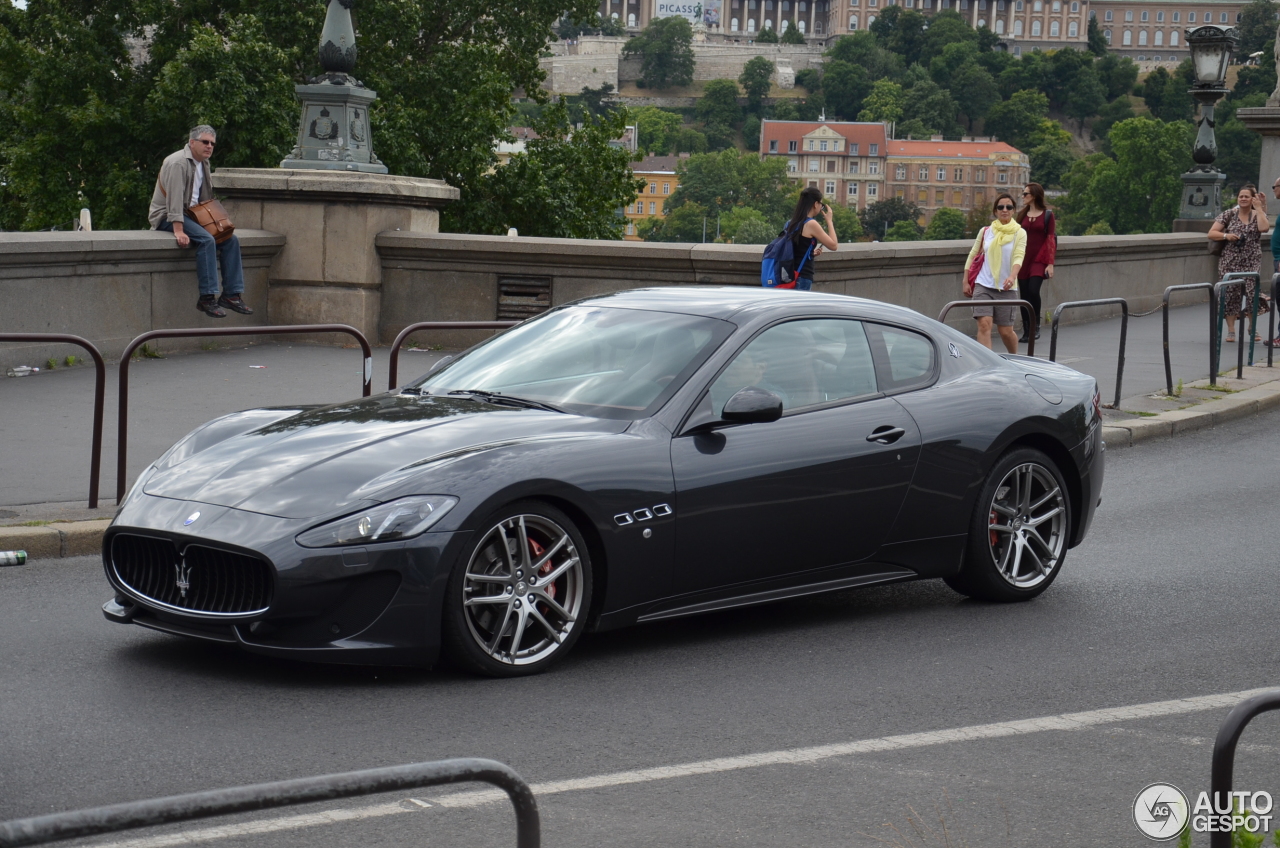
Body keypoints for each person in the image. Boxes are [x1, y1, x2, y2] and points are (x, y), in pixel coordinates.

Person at [148, 125, 252, 319]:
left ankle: (231, 295)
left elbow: (205, 200)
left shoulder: (203, 163)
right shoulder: (178, 162)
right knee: (206, 241)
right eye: (205, 142)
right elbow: (174, 200)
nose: (209, 146)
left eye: (212, 143)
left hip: (192, 216)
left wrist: (217, 224)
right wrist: (178, 230)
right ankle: (206, 298)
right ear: (192, 142)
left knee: (230, 239)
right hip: (167, 216)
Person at [963, 193, 1027, 353]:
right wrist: (965, 280)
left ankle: (1014, 358)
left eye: (1008, 207)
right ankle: (988, 366)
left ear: (1013, 211)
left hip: (1006, 288)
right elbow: (973, 254)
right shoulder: (986, 231)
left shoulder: (1019, 233)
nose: (1004, 210)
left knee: (1005, 331)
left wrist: (1012, 276)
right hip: (983, 285)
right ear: (995, 211)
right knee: (984, 324)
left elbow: (1019, 256)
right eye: (1000, 207)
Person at [1209, 184, 1270, 342]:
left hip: (1251, 260)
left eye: (1246, 196)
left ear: (1252, 199)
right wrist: (1226, 236)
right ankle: (1230, 330)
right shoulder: (1229, 214)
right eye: (1241, 196)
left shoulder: (1258, 215)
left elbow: (1264, 228)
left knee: (1252, 294)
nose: (1243, 199)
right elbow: (1212, 233)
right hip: (1230, 260)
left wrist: (1260, 208)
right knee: (1229, 294)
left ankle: (1252, 325)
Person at [1016, 183, 1056, 343]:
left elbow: (1051, 239)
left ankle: (1036, 326)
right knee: (1024, 295)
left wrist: (1050, 264)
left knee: (1033, 291)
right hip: (1022, 259)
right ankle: (1027, 331)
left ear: (1034, 195)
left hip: (1039, 259)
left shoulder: (1047, 215)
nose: (1023, 196)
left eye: (1025, 194)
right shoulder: (1021, 215)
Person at [785, 186, 839, 291]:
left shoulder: (791, 222)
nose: (821, 208)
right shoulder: (811, 223)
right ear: (815, 204)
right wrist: (829, 221)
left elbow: (795, 249)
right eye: (821, 205)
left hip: (790, 275)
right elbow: (833, 245)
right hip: (802, 276)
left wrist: (810, 253)